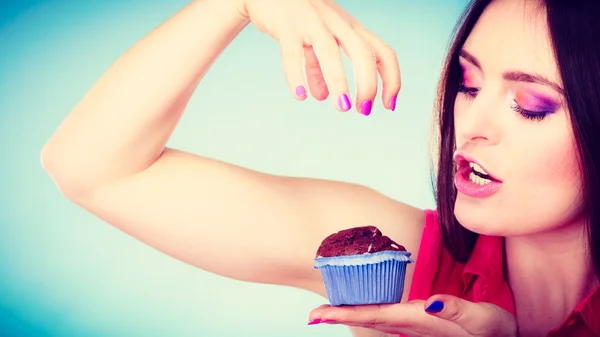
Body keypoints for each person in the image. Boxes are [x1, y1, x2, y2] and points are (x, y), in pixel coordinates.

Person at [40, 0, 600, 336]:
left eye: (531, 106)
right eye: (468, 84)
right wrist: (234, 3)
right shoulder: (394, 260)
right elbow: (92, 168)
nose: (472, 121)